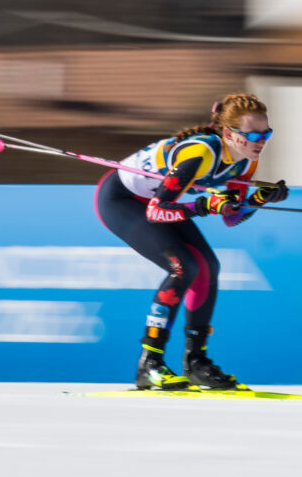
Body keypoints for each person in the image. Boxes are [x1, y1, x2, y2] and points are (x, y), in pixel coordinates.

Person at [94, 93, 289, 390]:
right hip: (122, 200)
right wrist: (202, 206)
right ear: (228, 133)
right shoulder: (200, 154)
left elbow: (231, 217)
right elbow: (156, 211)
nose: (260, 141)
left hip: (156, 203)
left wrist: (259, 198)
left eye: (266, 134)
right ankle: (150, 364)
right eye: (252, 135)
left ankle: (196, 362)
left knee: (208, 267)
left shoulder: (246, 160)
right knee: (183, 267)